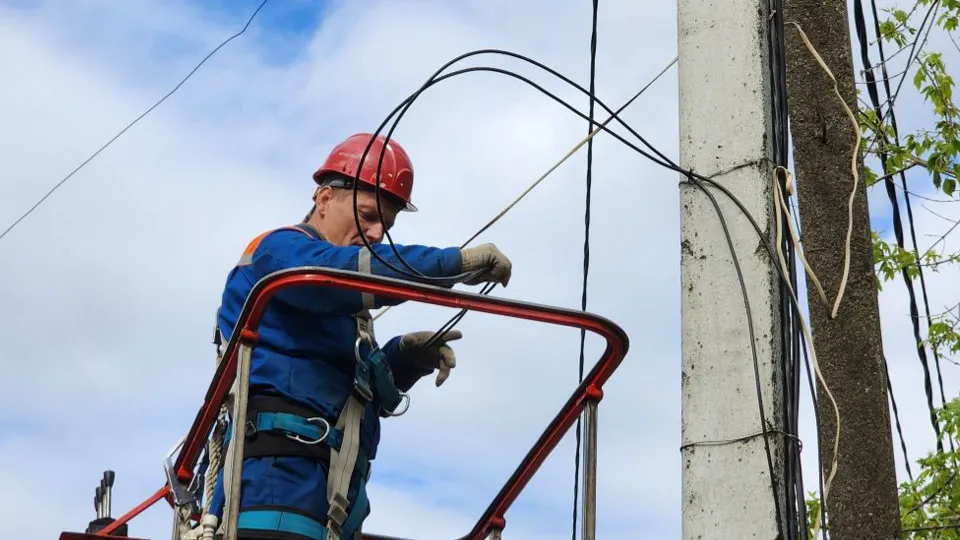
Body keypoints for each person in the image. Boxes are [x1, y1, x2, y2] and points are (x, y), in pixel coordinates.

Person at [206, 133, 513, 540]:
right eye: (367, 215)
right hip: (272, 492)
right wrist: (451, 264)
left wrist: (404, 359)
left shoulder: (343, 310)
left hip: (330, 504)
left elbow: (344, 385)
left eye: (385, 224)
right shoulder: (280, 252)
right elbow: (337, 275)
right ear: (324, 198)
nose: (376, 233)